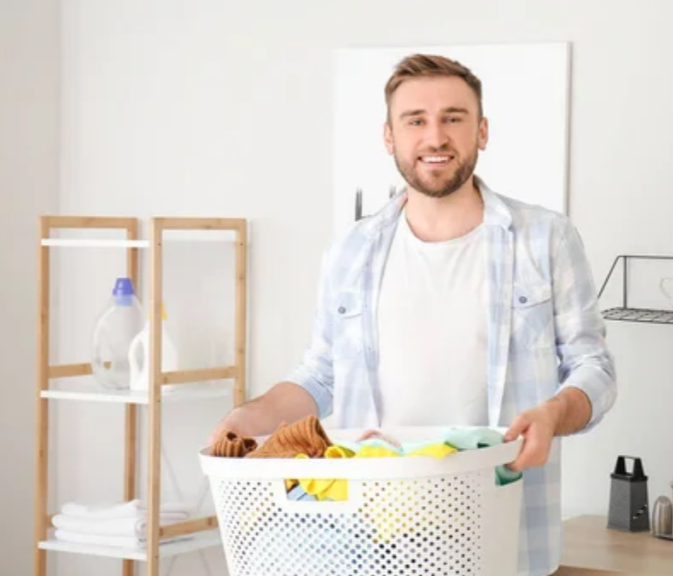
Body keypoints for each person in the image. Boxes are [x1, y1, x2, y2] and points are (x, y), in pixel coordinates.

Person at [209, 53, 617, 576]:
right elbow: (320, 376)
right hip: (369, 536)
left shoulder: (545, 238)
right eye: (415, 120)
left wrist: (553, 414)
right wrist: (248, 417)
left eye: (453, 117)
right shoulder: (350, 249)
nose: (435, 137)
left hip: (500, 530)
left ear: (482, 131)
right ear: (389, 137)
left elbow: (595, 369)